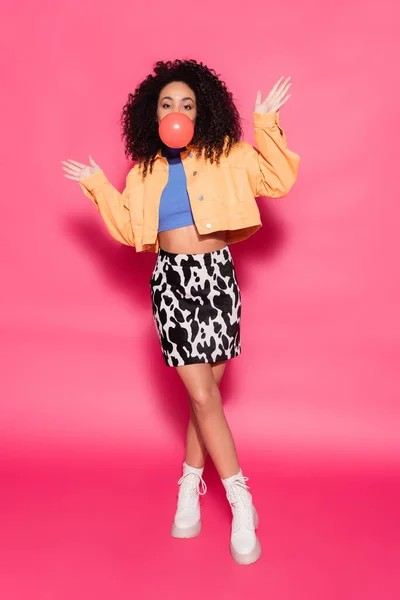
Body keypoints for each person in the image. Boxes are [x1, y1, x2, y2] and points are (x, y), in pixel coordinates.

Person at [62, 59, 300, 566]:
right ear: (154, 113)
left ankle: (188, 489)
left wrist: (265, 123)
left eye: (187, 103)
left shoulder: (227, 155)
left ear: (202, 110)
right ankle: (241, 500)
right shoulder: (144, 172)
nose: (176, 111)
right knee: (201, 392)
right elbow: (130, 231)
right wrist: (101, 186)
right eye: (167, 103)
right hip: (171, 283)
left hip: (217, 280)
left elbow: (278, 180)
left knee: (205, 399)